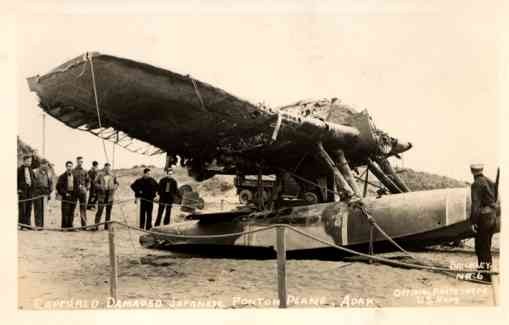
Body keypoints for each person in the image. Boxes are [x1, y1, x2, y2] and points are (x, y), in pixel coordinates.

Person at [470, 164, 498, 282]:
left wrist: (473, 222)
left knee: (480, 247)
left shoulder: (476, 184)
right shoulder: (490, 181)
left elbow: (476, 204)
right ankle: (486, 273)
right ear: (482, 170)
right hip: (492, 216)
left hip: (484, 218)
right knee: (486, 246)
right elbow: (494, 198)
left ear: (472, 171)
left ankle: (484, 276)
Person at [93, 163, 119, 231]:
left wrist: (114, 188)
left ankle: (107, 226)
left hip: (110, 196)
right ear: (104, 168)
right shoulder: (99, 175)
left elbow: (117, 183)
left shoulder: (113, 175)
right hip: (101, 196)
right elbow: (95, 183)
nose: (107, 169)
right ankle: (96, 226)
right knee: (100, 211)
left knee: (108, 212)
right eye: (106, 168)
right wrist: (100, 187)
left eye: (109, 168)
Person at [56, 161, 79, 229]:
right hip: (65, 196)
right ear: (66, 167)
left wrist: (75, 194)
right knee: (65, 211)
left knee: (72, 212)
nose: (69, 168)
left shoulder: (75, 176)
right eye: (68, 166)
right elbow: (59, 187)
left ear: (72, 167)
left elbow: (77, 186)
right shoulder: (62, 176)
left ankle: (70, 226)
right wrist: (65, 193)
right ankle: (64, 227)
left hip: (73, 196)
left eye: (71, 166)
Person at [32, 161, 53, 228]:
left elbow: (50, 183)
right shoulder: (35, 172)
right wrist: (35, 191)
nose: (45, 166)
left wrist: (49, 191)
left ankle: (42, 225)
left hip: (45, 192)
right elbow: (33, 182)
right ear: (41, 165)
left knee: (43, 209)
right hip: (37, 192)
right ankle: (38, 225)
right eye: (44, 165)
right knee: (38, 208)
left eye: (46, 165)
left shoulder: (49, 172)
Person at [17, 155, 35, 230]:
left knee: (29, 207)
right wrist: (18, 189)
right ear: (24, 161)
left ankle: (28, 224)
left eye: (30, 161)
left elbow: (33, 179)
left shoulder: (31, 169)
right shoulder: (19, 170)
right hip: (22, 191)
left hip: (30, 191)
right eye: (28, 161)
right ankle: (22, 225)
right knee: (22, 208)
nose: (29, 162)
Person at [72, 156, 90, 228]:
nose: (80, 163)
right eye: (79, 161)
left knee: (83, 208)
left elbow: (88, 181)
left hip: (83, 193)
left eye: (82, 162)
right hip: (75, 193)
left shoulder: (85, 171)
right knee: (72, 208)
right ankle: (71, 225)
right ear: (76, 161)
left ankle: (84, 225)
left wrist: (86, 188)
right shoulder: (73, 171)